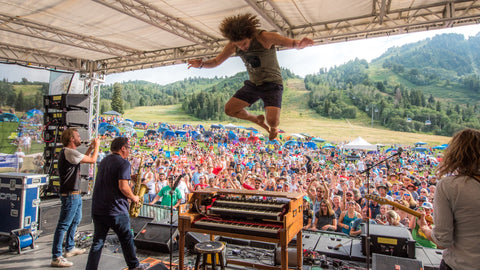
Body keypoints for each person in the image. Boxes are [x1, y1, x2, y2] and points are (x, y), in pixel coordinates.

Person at [187, 13, 313, 140]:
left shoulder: (264, 37)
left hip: (272, 84)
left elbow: (290, 42)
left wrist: (299, 44)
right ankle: (256, 119)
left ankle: (273, 128)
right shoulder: (233, 45)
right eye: (239, 45)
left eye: (244, 43)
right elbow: (216, 61)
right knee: (229, 110)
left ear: (251, 35)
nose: (242, 48)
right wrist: (201, 64)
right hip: (254, 84)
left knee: (272, 121)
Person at [417, 129, 480, 270]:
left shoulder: (449, 186)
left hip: (461, 264)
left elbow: (442, 240)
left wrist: (425, 228)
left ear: (456, 154)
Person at [86, 137, 149, 270]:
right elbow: (123, 187)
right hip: (115, 209)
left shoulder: (104, 161)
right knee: (126, 238)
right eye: (128, 148)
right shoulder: (124, 163)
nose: (129, 151)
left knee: (97, 242)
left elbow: (111, 179)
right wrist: (134, 197)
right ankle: (134, 265)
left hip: (98, 208)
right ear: (123, 148)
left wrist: (129, 178)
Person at [51, 128, 99, 267]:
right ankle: (56, 256)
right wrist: (96, 146)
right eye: (77, 136)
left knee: (75, 221)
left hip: (74, 194)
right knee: (63, 225)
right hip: (70, 195)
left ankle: (70, 248)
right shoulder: (69, 152)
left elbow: (82, 160)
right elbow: (92, 160)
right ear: (71, 139)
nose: (80, 138)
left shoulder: (70, 153)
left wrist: (90, 148)